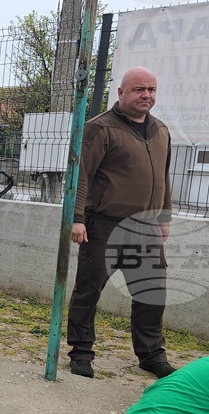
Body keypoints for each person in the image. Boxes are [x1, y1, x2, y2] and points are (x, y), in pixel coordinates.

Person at [66, 67, 176, 379]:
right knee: (88, 290)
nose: (147, 95)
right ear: (122, 93)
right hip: (103, 224)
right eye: (139, 89)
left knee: (152, 292)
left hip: (146, 226)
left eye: (152, 89)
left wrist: (164, 215)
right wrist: (77, 218)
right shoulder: (99, 129)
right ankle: (81, 352)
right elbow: (80, 176)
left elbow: (164, 178)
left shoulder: (161, 131)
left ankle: (152, 354)